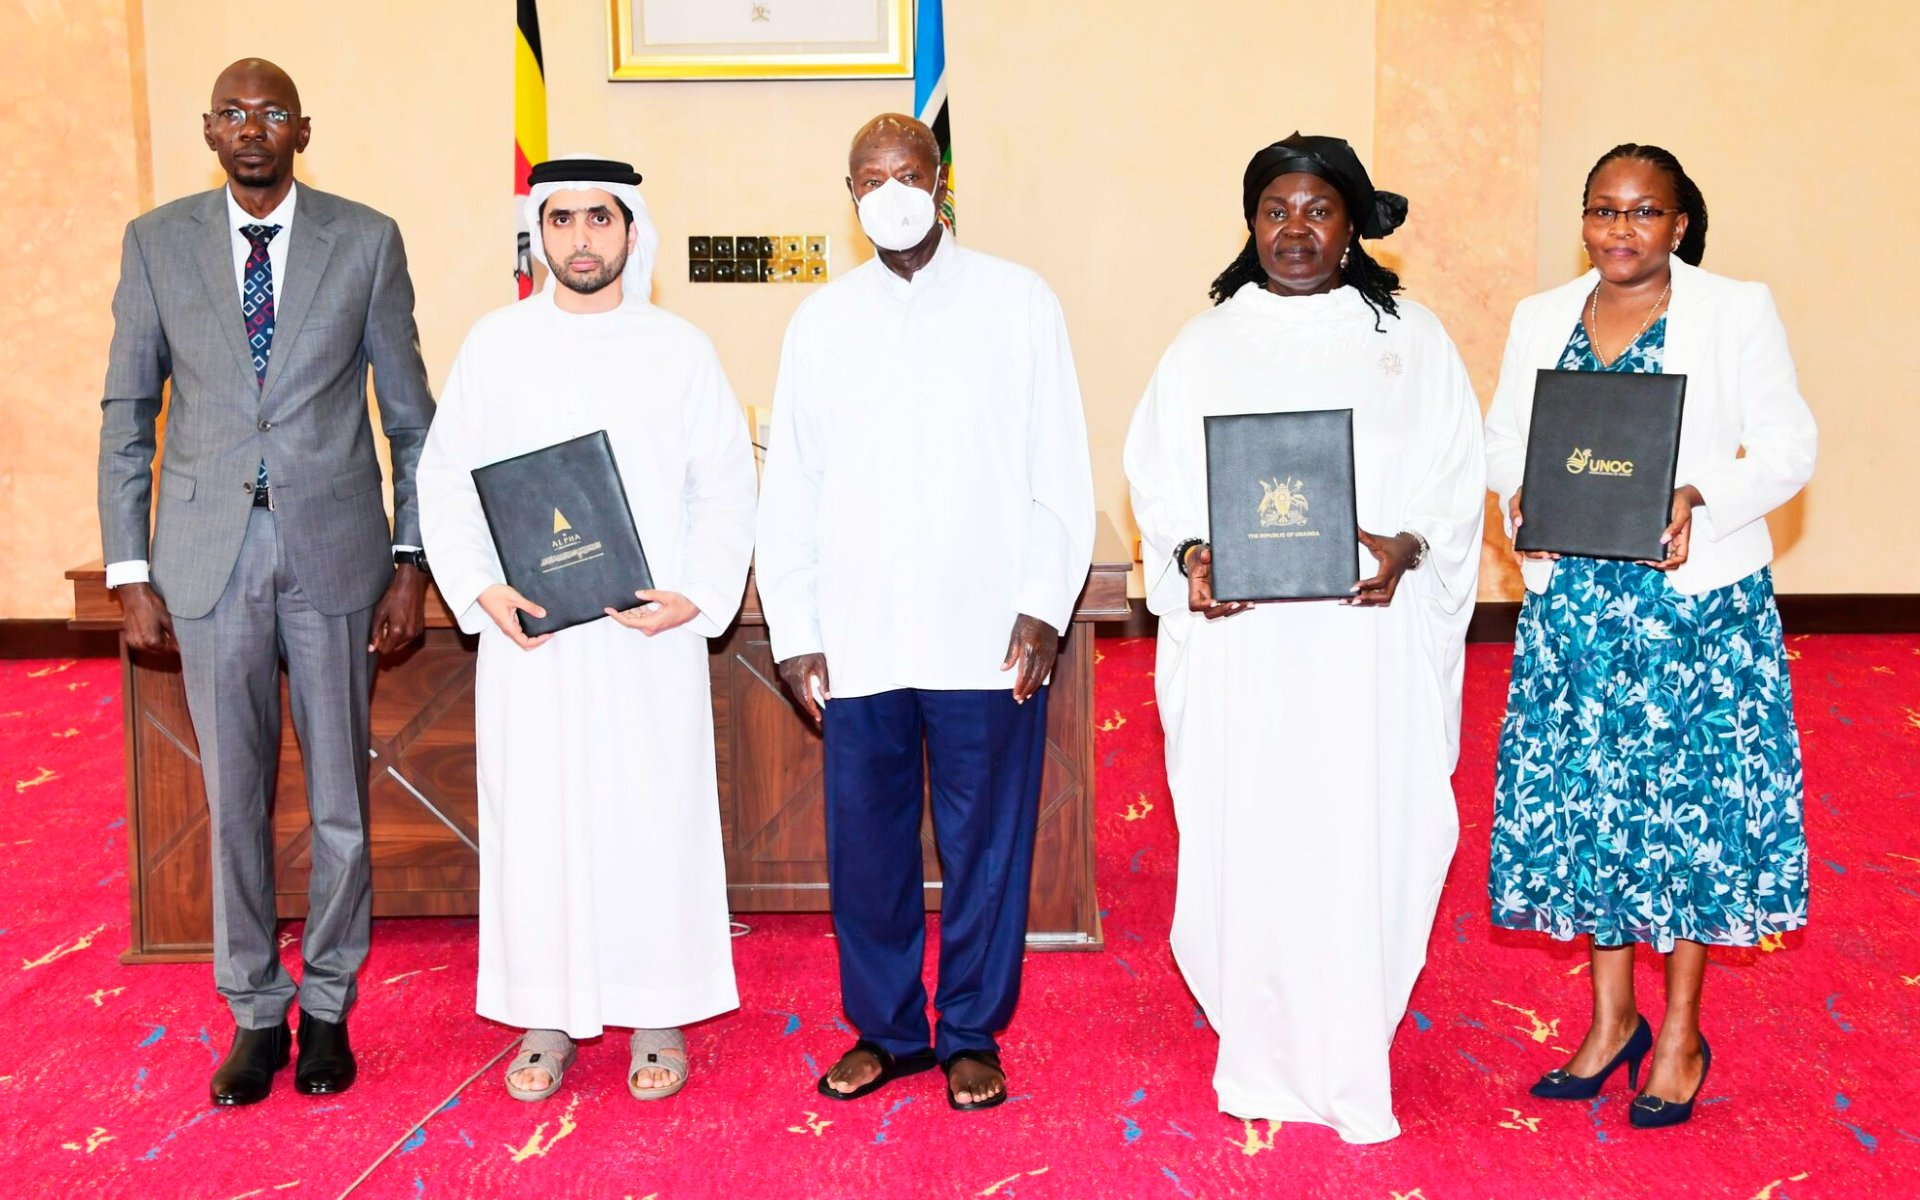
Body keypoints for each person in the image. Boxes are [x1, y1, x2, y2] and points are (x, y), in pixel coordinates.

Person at [1122, 134, 1485, 1144]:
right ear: (1251, 224)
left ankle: (1348, 1038)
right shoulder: (1204, 345)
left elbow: (1457, 480)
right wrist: (1194, 554)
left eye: (1318, 209)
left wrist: (1407, 546)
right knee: (1262, 821)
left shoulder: (1412, 338)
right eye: (1276, 210)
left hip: (1363, 647)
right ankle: (1266, 1033)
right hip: (1249, 650)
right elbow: (1157, 487)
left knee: (1356, 821)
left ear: (1353, 222)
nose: (1295, 229)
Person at [97, 58, 433, 1106]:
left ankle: (329, 1005)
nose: (254, 129)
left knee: (339, 798)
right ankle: (254, 1010)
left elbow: (410, 418)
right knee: (232, 797)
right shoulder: (155, 245)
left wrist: (410, 560)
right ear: (209, 131)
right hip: (205, 559)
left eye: (273, 113)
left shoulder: (366, 241)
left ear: (302, 130)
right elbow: (125, 413)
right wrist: (129, 567)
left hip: (336, 553)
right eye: (235, 114)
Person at [755, 114, 1095, 1112]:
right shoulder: (821, 322)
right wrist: (796, 627)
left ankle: (974, 1033)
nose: (891, 190)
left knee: (987, 843)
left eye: (909, 172)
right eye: (871, 177)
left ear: (940, 183)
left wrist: (1042, 606)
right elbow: (795, 491)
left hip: (985, 632)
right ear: (850, 193)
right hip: (857, 637)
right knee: (867, 847)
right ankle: (890, 1030)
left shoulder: (1018, 302)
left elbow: (1059, 469)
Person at [1485, 144, 1815, 1129]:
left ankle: (1679, 1031)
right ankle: (1610, 1018)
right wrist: (1523, 498)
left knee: (1687, 814)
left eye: (1643, 212)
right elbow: (1507, 438)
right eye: (1601, 210)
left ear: (1679, 223)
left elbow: (1789, 443)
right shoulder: (1540, 317)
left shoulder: (1735, 309)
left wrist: (1701, 495)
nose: (1619, 230)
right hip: (1578, 609)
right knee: (1592, 803)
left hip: (1694, 611)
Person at [417, 156, 756, 1101]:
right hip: (535, 644)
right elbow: (444, 481)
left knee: (652, 816)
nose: (580, 238)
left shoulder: (679, 348)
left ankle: (659, 1011)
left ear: (630, 231)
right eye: (561, 220)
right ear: (540, 234)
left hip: (646, 638)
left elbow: (725, 482)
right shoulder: (494, 344)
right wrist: (481, 589)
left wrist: (696, 590)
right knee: (537, 820)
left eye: (598, 220)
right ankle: (542, 1015)